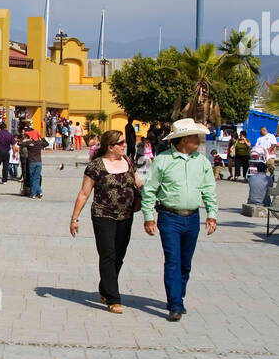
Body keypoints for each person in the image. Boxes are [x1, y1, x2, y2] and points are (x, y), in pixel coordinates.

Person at [140, 118, 218, 322]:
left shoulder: (201, 162)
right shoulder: (162, 160)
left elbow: (209, 189)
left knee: (186, 264)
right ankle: (175, 304)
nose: (199, 141)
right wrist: (149, 217)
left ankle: (178, 295)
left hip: (193, 218)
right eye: (195, 137)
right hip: (169, 217)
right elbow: (149, 190)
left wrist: (212, 214)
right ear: (183, 140)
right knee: (173, 261)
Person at [70, 130, 143, 313]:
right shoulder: (96, 166)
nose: (124, 145)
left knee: (119, 255)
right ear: (111, 147)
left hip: (126, 216)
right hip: (103, 215)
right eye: (121, 142)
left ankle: (105, 288)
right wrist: (74, 218)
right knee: (108, 254)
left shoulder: (127, 161)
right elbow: (84, 193)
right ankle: (113, 298)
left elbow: (138, 183)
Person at [22, 128, 50, 198]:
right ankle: (38, 192)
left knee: (32, 178)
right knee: (37, 178)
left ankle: (34, 193)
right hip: (39, 162)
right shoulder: (40, 142)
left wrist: (26, 140)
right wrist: (42, 137)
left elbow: (20, 143)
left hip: (31, 162)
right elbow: (47, 144)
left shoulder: (29, 142)